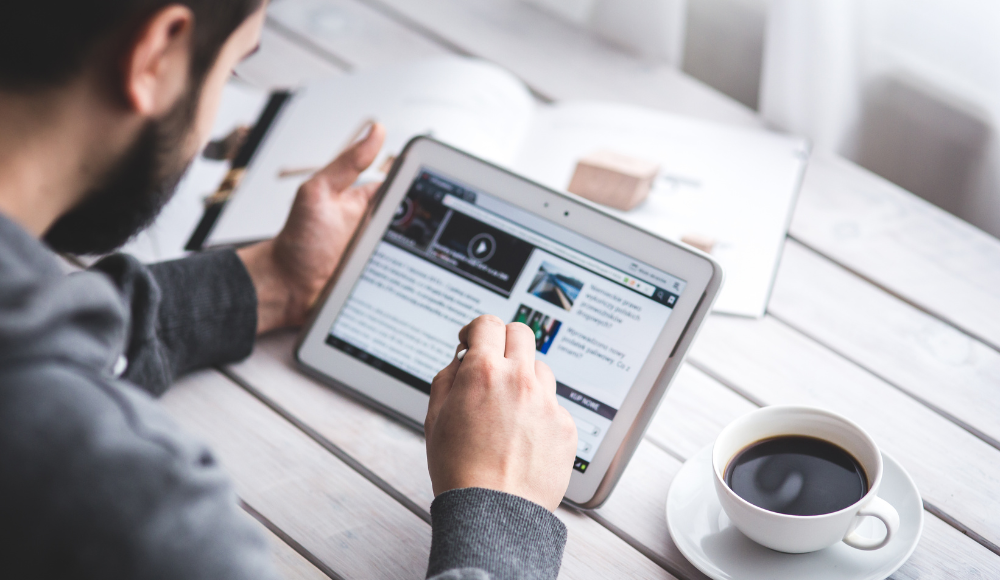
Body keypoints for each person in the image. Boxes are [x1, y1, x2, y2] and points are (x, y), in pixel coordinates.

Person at [0, 1, 579, 579]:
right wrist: (503, 510)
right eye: (229, 70)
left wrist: (271, 281)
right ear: (157, 54)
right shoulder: (139, 513)